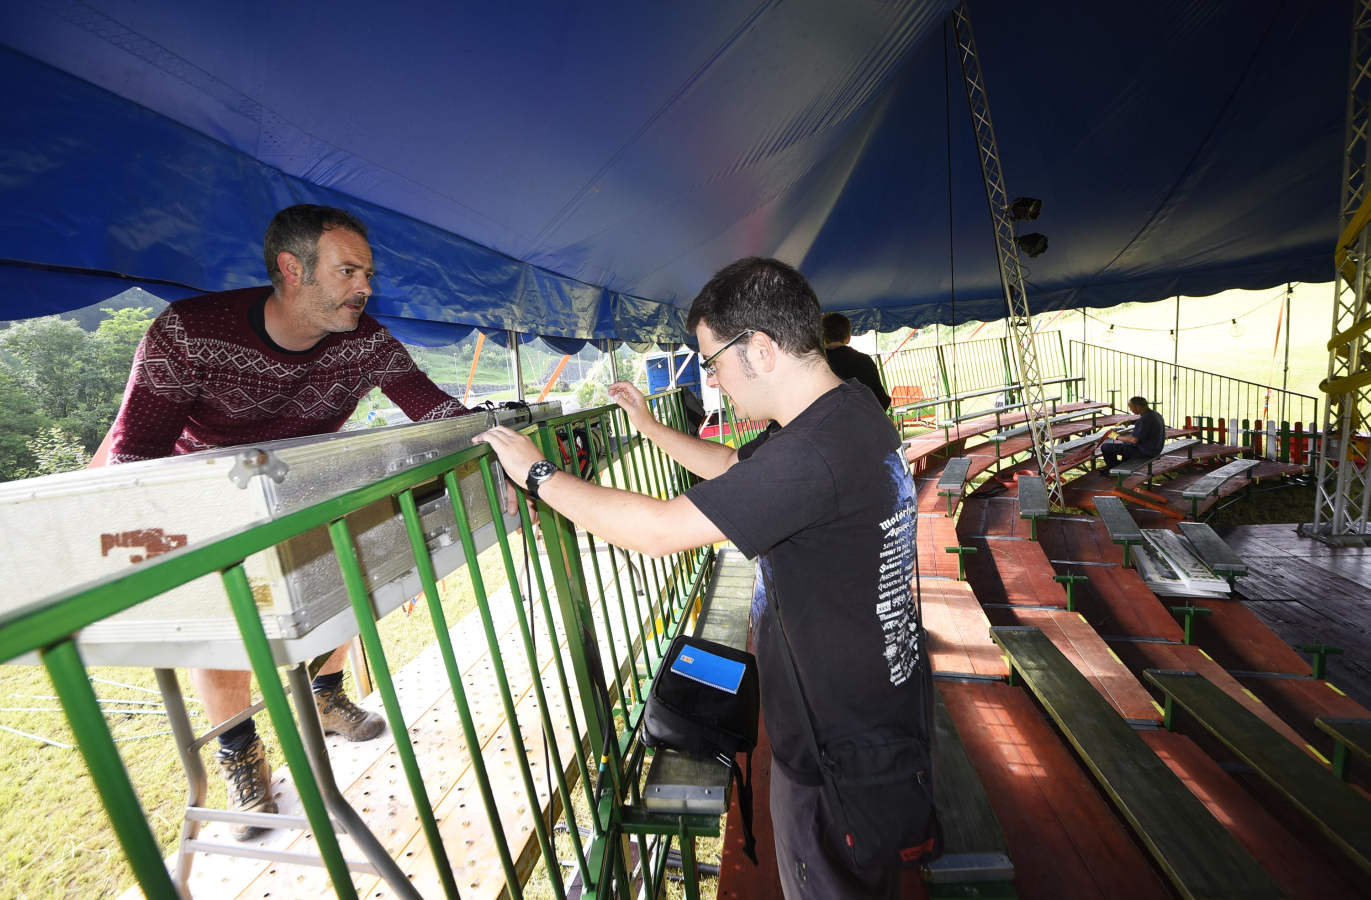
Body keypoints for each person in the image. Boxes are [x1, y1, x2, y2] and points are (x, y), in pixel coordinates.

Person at [475, 257, 933, 898]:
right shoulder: (845, 413)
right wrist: (646, 426)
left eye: (713, 361)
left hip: (836, 748)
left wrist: (537, 474)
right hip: (870, 715)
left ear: (763, 349)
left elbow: (658, 532)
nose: (712, 380)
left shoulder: (814, 453)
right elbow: (727, 465)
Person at [100, 204, 475, 839]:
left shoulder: (368, 341)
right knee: (224, 631)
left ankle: (325, 697)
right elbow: (136, 454)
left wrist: (492, 429)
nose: (366, 287)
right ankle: (239, 753)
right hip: (203, 495)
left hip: (304, 487)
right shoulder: (188, 332)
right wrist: (165, 537)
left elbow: (434, 408)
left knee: (348, 584)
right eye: (350, 271)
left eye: (369, 273)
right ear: (291, 268)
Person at [822, 312, 891, 409]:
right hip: (864, 420)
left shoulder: (816, 365)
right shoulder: (864, 361)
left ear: (823, 338)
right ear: (848, 338)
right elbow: (881, 400)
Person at [1100, 395, 1165, 468]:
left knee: (1106, 447)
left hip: (1145, 452)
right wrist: (1131, 422)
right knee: (1125, 444)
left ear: (1137, 407)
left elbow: (1134, 440)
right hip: (1156, 449)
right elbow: (1147, 422)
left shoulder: (1143, 420)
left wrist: (1115, 436)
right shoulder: (1155, 414)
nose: (1130, 410)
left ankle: (1114, 467)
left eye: (1130, 407)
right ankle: (1122, 464)